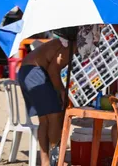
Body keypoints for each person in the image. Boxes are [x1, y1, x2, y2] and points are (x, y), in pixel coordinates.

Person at [17, 37, 73, 166]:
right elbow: (53, 71)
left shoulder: (64, 43)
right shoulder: (68, 47)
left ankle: (46, 161)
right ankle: (55, 159)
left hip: (27, 71)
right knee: (54, 116)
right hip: (34, 72)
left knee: (45, 120)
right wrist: (62, 91)